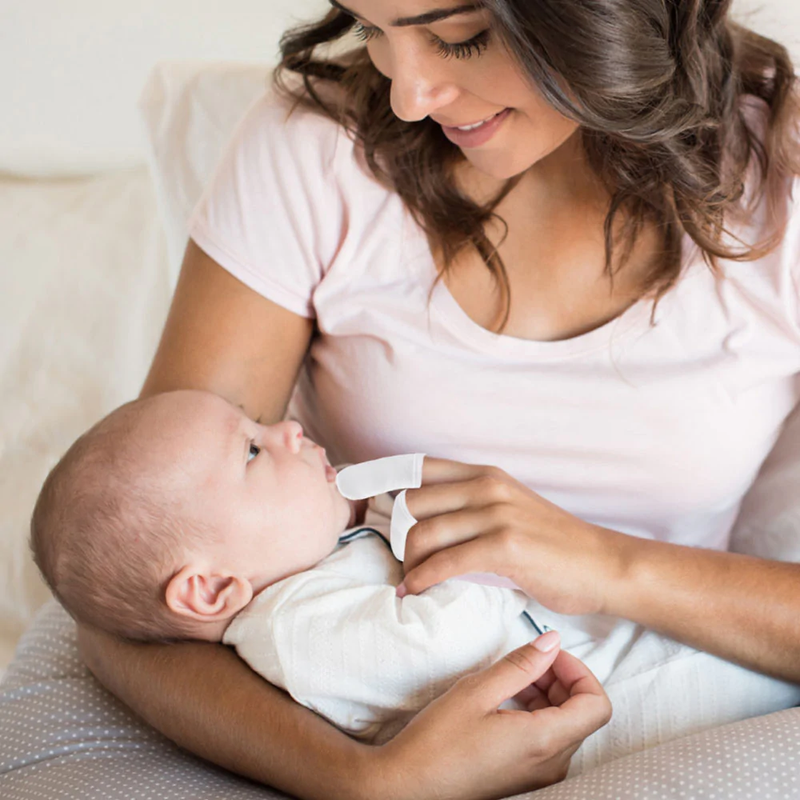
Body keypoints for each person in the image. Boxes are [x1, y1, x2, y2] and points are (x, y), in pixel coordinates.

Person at [76, 0, 800, 796]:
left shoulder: (780, 180)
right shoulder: (315, 150)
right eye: (375, 30)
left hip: (675, 709)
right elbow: (132, 589)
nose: (407, 96)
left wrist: (607, 565)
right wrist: (369, 781)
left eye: (461, 38)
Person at [31, 389, 551, 744]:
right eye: (254, 451)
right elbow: (451, 644)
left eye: (256, 421)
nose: (291, 429)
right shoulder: (297, 633)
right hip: (562, 717)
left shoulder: (312, 562)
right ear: (211, 589)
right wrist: (428, 523)